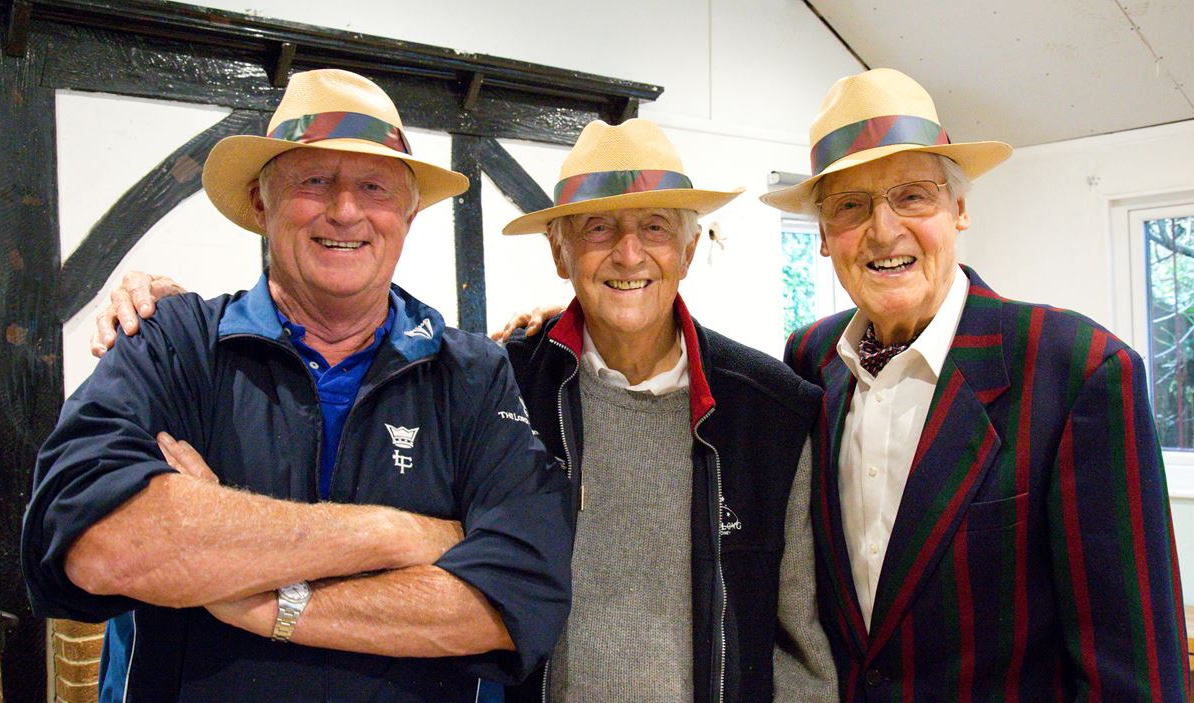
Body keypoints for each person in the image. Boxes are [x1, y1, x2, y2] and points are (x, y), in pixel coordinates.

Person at [92, 118, 840, 702]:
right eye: (598, 227)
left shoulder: (769, 410)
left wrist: (245, 594)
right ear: (560, 251)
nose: (628, 254)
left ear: (688, 246)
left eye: (654, 227)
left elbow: (798, 643)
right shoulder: (504, 380)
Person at [22, 68, 572, 703]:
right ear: (262, 202)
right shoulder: (171, 342)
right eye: (314, 181)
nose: (345, 210)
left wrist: (250, 599)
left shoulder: (474, 374)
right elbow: (98, 542)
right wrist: (397, 535)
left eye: (374, 187)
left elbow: (510, 601)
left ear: (409, 213)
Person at [763, 68, 1189, 700]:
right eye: (850, 206)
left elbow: (1133, 670)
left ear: (959, 208)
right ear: (824, 237)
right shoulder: (808, 361)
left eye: (912, 196)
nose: (883, 231)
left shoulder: (1076, 370)